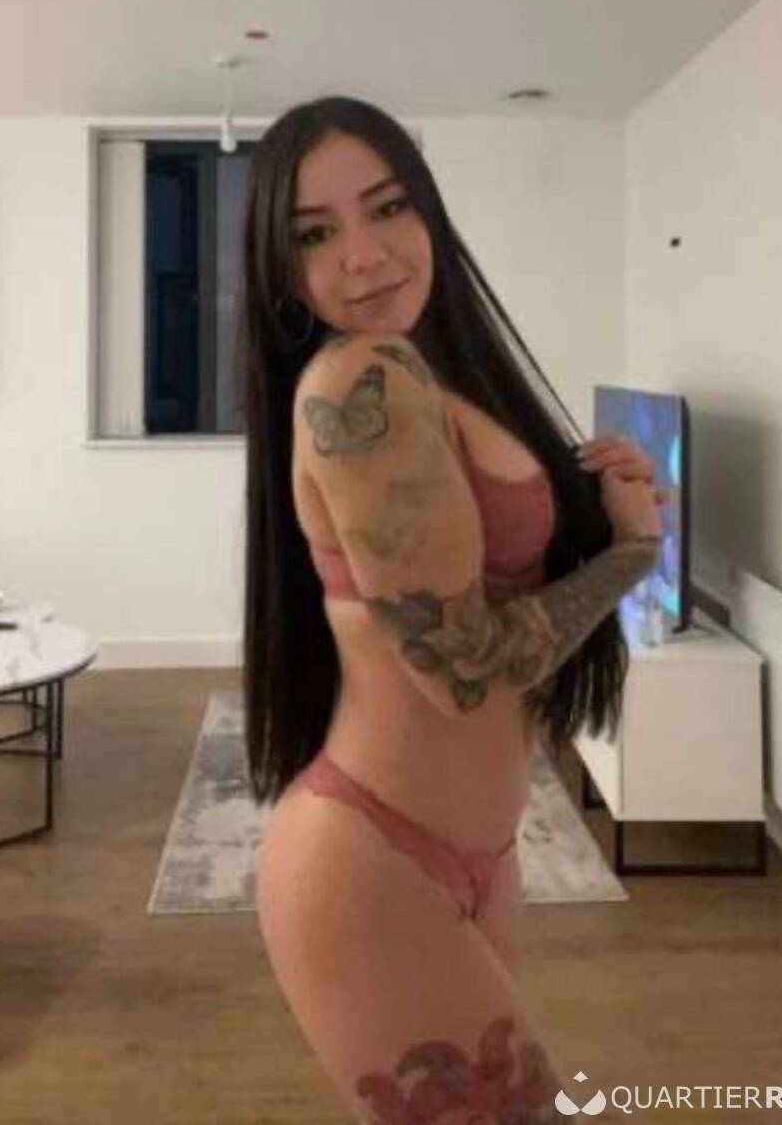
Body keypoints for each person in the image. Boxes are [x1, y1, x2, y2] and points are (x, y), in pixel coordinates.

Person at [237, 96, 665, 1124]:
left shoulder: (442, 374)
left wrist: (598, 505)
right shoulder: (361, 379)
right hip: (371, 860)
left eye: (388, 208)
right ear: (280, 268)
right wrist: (633, 555)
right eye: (314, 233)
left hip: (478, 846)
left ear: (428, 210)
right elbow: (464, 666)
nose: (365, 255)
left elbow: (496, 572)